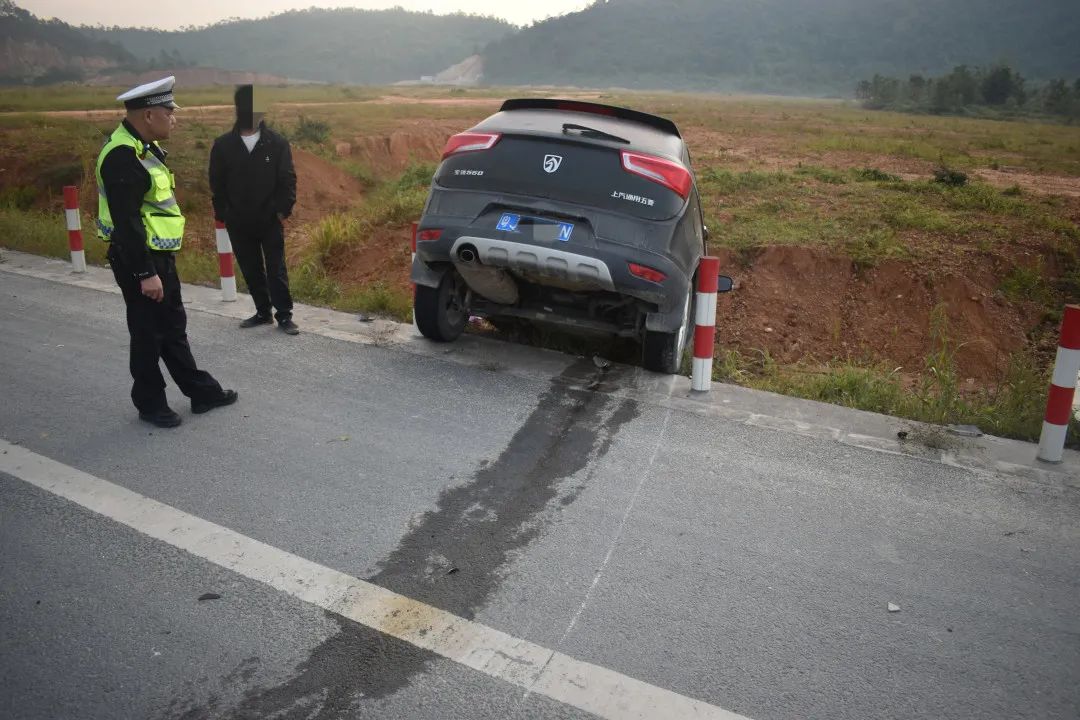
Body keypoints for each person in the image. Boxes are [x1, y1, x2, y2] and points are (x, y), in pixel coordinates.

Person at [96, 76, 238, 429]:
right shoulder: (122, 156)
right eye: (168, 112)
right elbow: (127, 223)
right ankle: (150, 403)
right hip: (139, 260)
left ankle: (201, 391)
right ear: (148, 115)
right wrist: (145, 273)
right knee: (147, 333)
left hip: (158, 257)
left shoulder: (143, 148)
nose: (174, 119)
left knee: (172, 327)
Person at [209, 85, 299, 335]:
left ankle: (284, 316)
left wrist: (282, 211)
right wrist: (224, 214)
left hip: (270, 219)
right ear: (238, 109)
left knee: (276, 268)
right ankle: (262, 312)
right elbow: (216, 183)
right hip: (238, 220)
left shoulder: (276, 143)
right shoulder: (224, 145)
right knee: (250, 267)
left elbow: (288, 179)